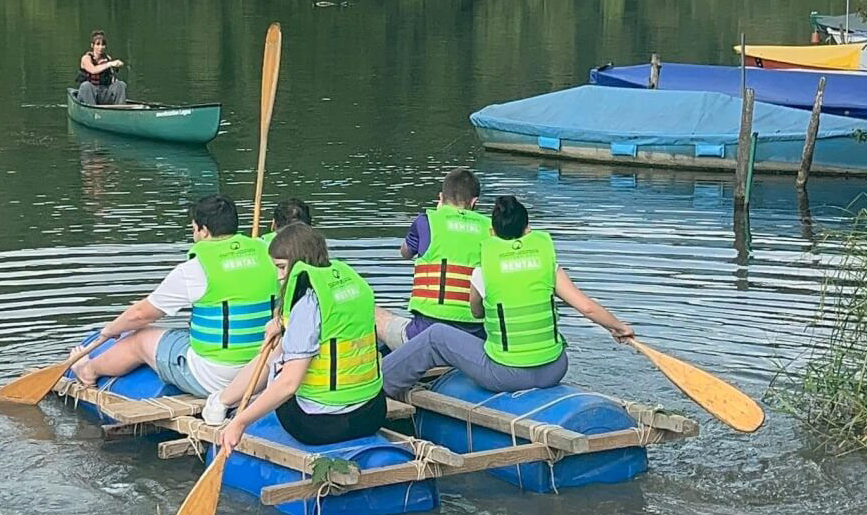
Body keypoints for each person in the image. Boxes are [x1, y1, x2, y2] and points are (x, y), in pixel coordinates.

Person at [379, 195, 633, 399]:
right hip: (554, 369)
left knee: (436, 336)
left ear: (492, 232)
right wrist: (618, 327)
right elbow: (587, 308)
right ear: (527, 229)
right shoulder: (547, 264)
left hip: (506, 374)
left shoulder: (484, 270)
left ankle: (380, 387)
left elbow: (476, 313)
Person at [69, 194, 278, 398]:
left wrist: (110, 330)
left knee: (140, 337)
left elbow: (141, 314)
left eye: (194, 228)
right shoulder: (270, 252)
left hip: (217, 377)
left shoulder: (195, 269)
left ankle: (88, 371)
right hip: (264, 366)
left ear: (204, 231)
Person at [209, 222, 387, 452]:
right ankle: (231, 400)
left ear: (298, 263)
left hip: (319, 426)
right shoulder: (351, 284)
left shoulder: (307, 303)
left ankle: (226, 403)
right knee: (289, 344)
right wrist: (282, 324)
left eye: (282, 267)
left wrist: (239, 423)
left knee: (279, 357)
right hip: (371, 414)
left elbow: (289, 385)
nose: (279, 277)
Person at [374, 167, 487, 351]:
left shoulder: (426, 221)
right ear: (474, 201)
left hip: (423, 334)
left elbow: (405, 253)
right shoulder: (490, 229)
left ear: (441, 197)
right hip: (474, 336)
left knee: (372, 313)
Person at [76, 29, 127, 105]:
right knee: (86, 85)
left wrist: (118, 65)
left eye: (103, 44)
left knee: (120, 84)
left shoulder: (107, 58)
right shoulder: (86, 58)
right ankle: (92, 110)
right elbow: (93, 70)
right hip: (89, 93)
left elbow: (112, 78)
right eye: (98, 44)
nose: (101, 47)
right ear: (92, 45)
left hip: (103, 92)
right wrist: (110, 64)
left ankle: (121, 110)